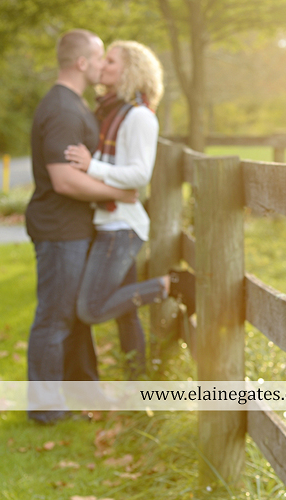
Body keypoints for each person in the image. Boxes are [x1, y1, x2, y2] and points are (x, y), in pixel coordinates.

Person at [25, 29, 139, 424]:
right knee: (54, 318)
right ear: (81, 62)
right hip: (59, 229)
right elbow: (64, 180)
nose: (104, 62)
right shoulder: (62, 110)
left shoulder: (72, 104)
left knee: (71, 317)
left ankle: (81, 394)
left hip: (74, 228)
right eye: (99, 55)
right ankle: (45, 409)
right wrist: (118, 193)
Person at [64, 40, 194, 379]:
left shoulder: (138, 117)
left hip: (121, 228)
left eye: (110, 61)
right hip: (110, 221)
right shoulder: (111, 113)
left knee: (90, 309)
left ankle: (169, 284)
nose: (102, 65)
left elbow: (139, 175)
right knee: (125, 313)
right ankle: (137, 390)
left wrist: (92, 166)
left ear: (129, 70)